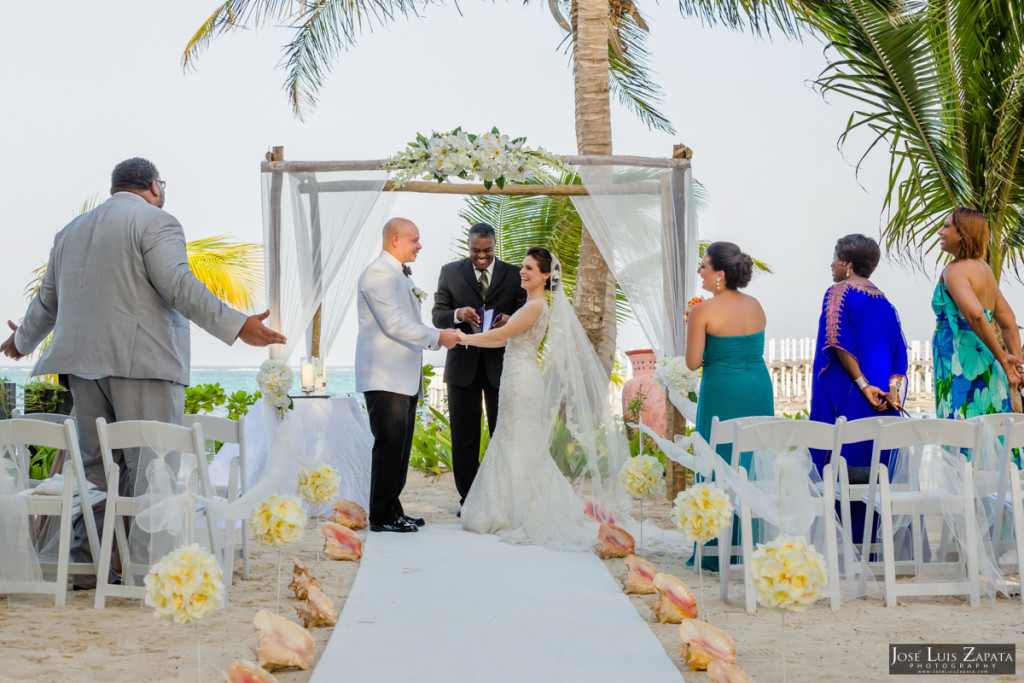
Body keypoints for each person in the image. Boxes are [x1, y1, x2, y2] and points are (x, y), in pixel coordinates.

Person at [0, 157, 286, 586]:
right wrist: (237, 324)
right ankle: (145, 569)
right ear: (154, 185)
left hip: (81, 368)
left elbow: (47, 302)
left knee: (95, 471)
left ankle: (84, 568)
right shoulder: (156, 221)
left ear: (115, 186)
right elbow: (177, 283)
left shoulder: (71, 230)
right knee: (153, 465)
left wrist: (21, 343)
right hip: (144, 365)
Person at [455, 247, 614, 548]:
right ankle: (510, 505)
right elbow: (510, 335)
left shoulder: (535, 306)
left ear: (545, 275)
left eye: (529, 268)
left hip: (521, 380)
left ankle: (511, 509)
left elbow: (501, 338)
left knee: (515, 440)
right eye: (523, 267)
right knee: (513, 438)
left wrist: (465, 338)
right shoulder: (532, 305)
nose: (522, 272)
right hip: (517, 376)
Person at [355, 217, 459, 533]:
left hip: (402, 377)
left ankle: (393, 509)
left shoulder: (397, 273)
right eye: (414, 239)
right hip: (385, 376)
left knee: (400, 449)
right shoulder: (377, 273)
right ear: (395, 240)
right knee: (389, 446)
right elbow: (394, 324)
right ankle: (381, 516)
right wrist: (438, 336)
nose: (420, 245)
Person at [809, 234, 908, 544]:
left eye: (835, 259)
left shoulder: (838, 292)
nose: (831, 265)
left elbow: (837, 341)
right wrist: (891, 392)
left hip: (850, 396)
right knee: (874, 473)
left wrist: (864, 387)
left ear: (847, 264)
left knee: (841, 465)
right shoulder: (886, 301)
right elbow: (899, 352)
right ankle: (873, 548)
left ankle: (843, 548)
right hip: (883, 403)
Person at [685, 241, 774, 570]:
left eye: (704, 266)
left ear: (720, 274)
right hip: (758, 388)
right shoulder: (756, 305)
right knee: (752, 462)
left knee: (717, 461)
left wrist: (694, 331)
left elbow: (693, 362)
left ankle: (714, 548)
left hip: (723, 389)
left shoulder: (702, 311)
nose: (700, 271)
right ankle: (750, 543)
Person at [431, 223, 527, 514]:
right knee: (464, 438)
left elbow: (526, 311)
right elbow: (437, 316)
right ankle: (469, 501)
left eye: (486, 251)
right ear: (468, 245)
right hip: (462, 368)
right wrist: (457, 313)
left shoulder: (513, 274)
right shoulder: (450, 272)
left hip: (501, 367)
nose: (481, 257)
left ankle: (502, 500)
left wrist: (509, 319)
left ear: (494, 245)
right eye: (475, 251)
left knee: (503, 435)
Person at [933, 208, 1022, 418]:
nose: (940, 232)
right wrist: (1017, 366)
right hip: (986, 359)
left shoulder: (955, 270)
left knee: (960, 430)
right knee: (992, 427)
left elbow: (975, 315)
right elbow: (1009, 322)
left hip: (959, 362)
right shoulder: (986, 271)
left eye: (946, 226)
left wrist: (1004, 359)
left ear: (963, 233)